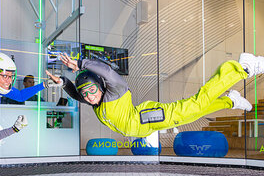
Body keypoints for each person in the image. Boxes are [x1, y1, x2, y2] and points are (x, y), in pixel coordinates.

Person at [46, 52, 264, 138]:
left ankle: (241, 67)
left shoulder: (115, 90)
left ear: (101, 87)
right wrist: (64, 82)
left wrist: (82, 63)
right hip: (148, 126)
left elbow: (108, 72)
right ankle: (230, 99)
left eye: (92, 91)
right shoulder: (97, 103)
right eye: (87, 95)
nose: (89, 97)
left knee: (196, 104)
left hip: (149, 116)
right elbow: (77, 95)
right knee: (193, 115)